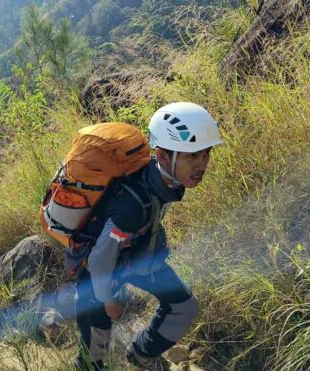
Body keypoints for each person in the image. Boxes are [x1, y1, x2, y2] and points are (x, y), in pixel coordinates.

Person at [73, 102, 222, 370]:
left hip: (136, 256)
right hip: (96, 276)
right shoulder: (133, 205)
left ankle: (141, 354)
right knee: (94, 355)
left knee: (184, 306)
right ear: (162, 157)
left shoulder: (162, 180)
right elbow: (99, 261)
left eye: (205, 154)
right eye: (191, 156)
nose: (201, 165)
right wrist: (108, 300)